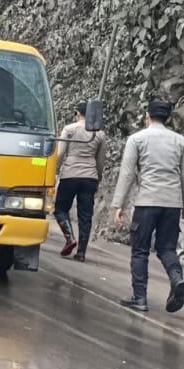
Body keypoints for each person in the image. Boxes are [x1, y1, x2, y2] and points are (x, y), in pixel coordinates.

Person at [112, 99, 184, 313]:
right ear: (168, 118)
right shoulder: (180, 142)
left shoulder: (137, 139)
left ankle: (140, 297)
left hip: (147, 202)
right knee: (167, 248)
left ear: (147, 115)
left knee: (140, 250)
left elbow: (128, 173)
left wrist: (118, 203)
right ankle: (177, 280)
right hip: (172, 204)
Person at [54, 101, 106, 260]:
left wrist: (55, 171)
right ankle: (81, 252)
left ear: (78, 113)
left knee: (60, 209)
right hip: (89, 177)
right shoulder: (99, 134)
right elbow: (100, 161)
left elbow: (61, 153)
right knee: (86, 215)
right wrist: (98, 178)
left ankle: (70, 237)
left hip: (70, 174)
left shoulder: (69, 129)